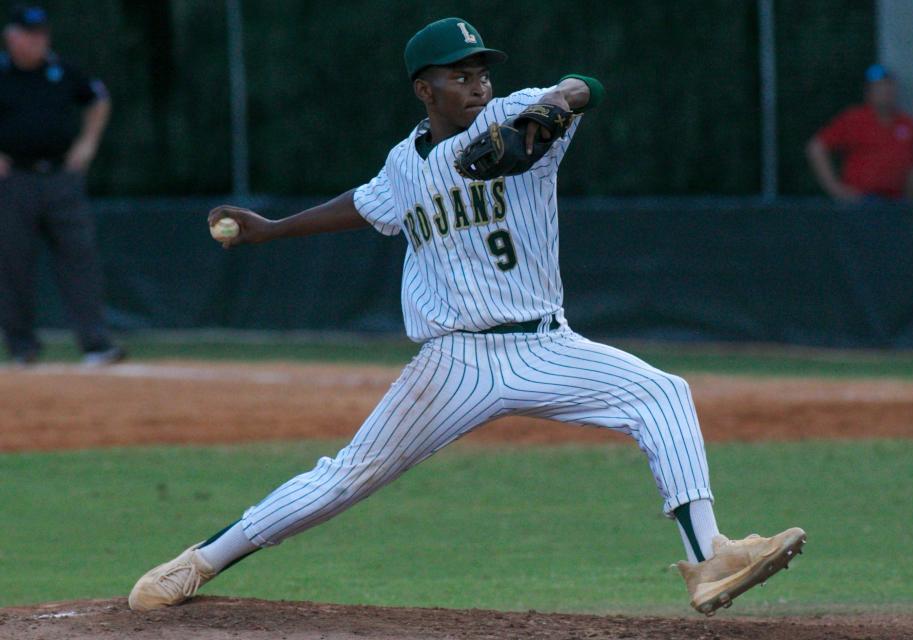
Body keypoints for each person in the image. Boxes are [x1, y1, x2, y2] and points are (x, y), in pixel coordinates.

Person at [128, 17, 805, 616]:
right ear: (425, 90)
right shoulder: (404, 164)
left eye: (481, 71)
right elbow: (363, 206)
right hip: (455, 361)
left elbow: (585, 84)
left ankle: (709, 557)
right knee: (345, 477)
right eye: (461, 75)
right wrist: (269, 230)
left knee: (661, 393)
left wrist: (549, 110)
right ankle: (200, 562)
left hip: (546, 343)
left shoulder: (512, 114)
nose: (478, 84)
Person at [0, 4, 123, 366]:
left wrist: (87, 145)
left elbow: (98, 99)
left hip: (60, 180)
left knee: (80, 259)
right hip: (14, 182)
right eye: (30, 34)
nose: (38, 42)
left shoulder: (61, 70)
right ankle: (22, 348)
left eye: (42, 35)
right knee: (13, 266)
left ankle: (96, 344)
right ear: (11, 37)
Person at [806, 64, 913, 202]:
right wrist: (836, 189)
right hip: (861, 203)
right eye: (878, 87)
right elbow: (816, 147)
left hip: (895, 204)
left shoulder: (907, 124)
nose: (885, 91)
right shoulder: (854, 119)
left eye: (887, 86)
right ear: (868, 92)